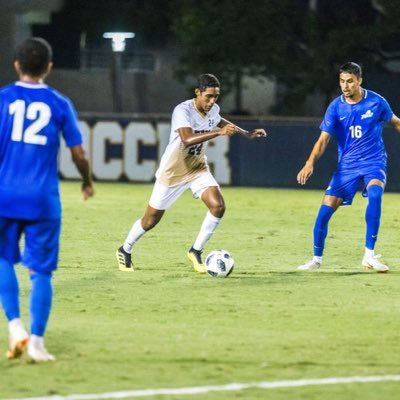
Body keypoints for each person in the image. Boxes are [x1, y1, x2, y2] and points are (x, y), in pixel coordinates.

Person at [0, 37, 94, 362]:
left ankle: (15, 327)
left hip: (5, 196)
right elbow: (78, 153)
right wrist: (86, 181)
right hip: (42, 199)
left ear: (16, 64)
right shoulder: (59, 103)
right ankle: (37, 343)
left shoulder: (3, 99)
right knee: (41, 273)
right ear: (49, 67)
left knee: (2, 260)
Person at [116, 73, 267, 273]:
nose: (212, 101)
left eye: (216, 97)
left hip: (197, 168)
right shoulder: (182, 110)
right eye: (209, 96)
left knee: (218, 206)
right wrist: (219, 133)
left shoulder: (213, 110)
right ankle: (125, 249)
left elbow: (220, 120)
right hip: (173, 172)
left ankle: (195, 251)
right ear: (197, 93)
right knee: (150, 220)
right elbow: (186, 139)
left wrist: (245, 133)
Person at [296, 62, 400, 272]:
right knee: (325, 212)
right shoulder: (335, 106)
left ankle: (369, 255)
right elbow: (323, 140)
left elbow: (396, 123)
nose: (345, 86)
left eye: (350, 81)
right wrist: (309, 163)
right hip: (347, 167)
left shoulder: (377, 102)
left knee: (375, 195)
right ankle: (316, 260)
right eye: (342, 81)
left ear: (360, 80)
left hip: (374, 162)